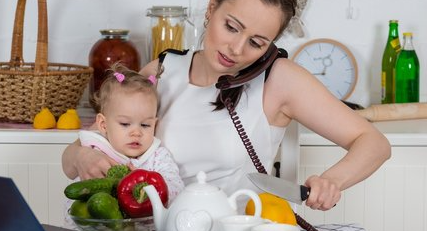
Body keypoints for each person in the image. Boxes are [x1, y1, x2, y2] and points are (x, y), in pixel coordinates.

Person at [63, 0, 391, 211]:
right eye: (231, 27)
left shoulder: (280, 79)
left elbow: (373, 143)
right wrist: (83, 154)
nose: (235, 48)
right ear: (210, 9)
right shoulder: (162, 71)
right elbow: (76, 156)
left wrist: (332, 180)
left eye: (256, 43)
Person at [76, 63, 184, 201]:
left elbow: (176, 189)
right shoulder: (95, 151)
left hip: (147, 222)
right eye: (125, 124)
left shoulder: (158, 157)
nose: (136, 133)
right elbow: (80, 194)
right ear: (103, 125)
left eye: (145, 125)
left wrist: (143, 183)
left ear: (154, 125)